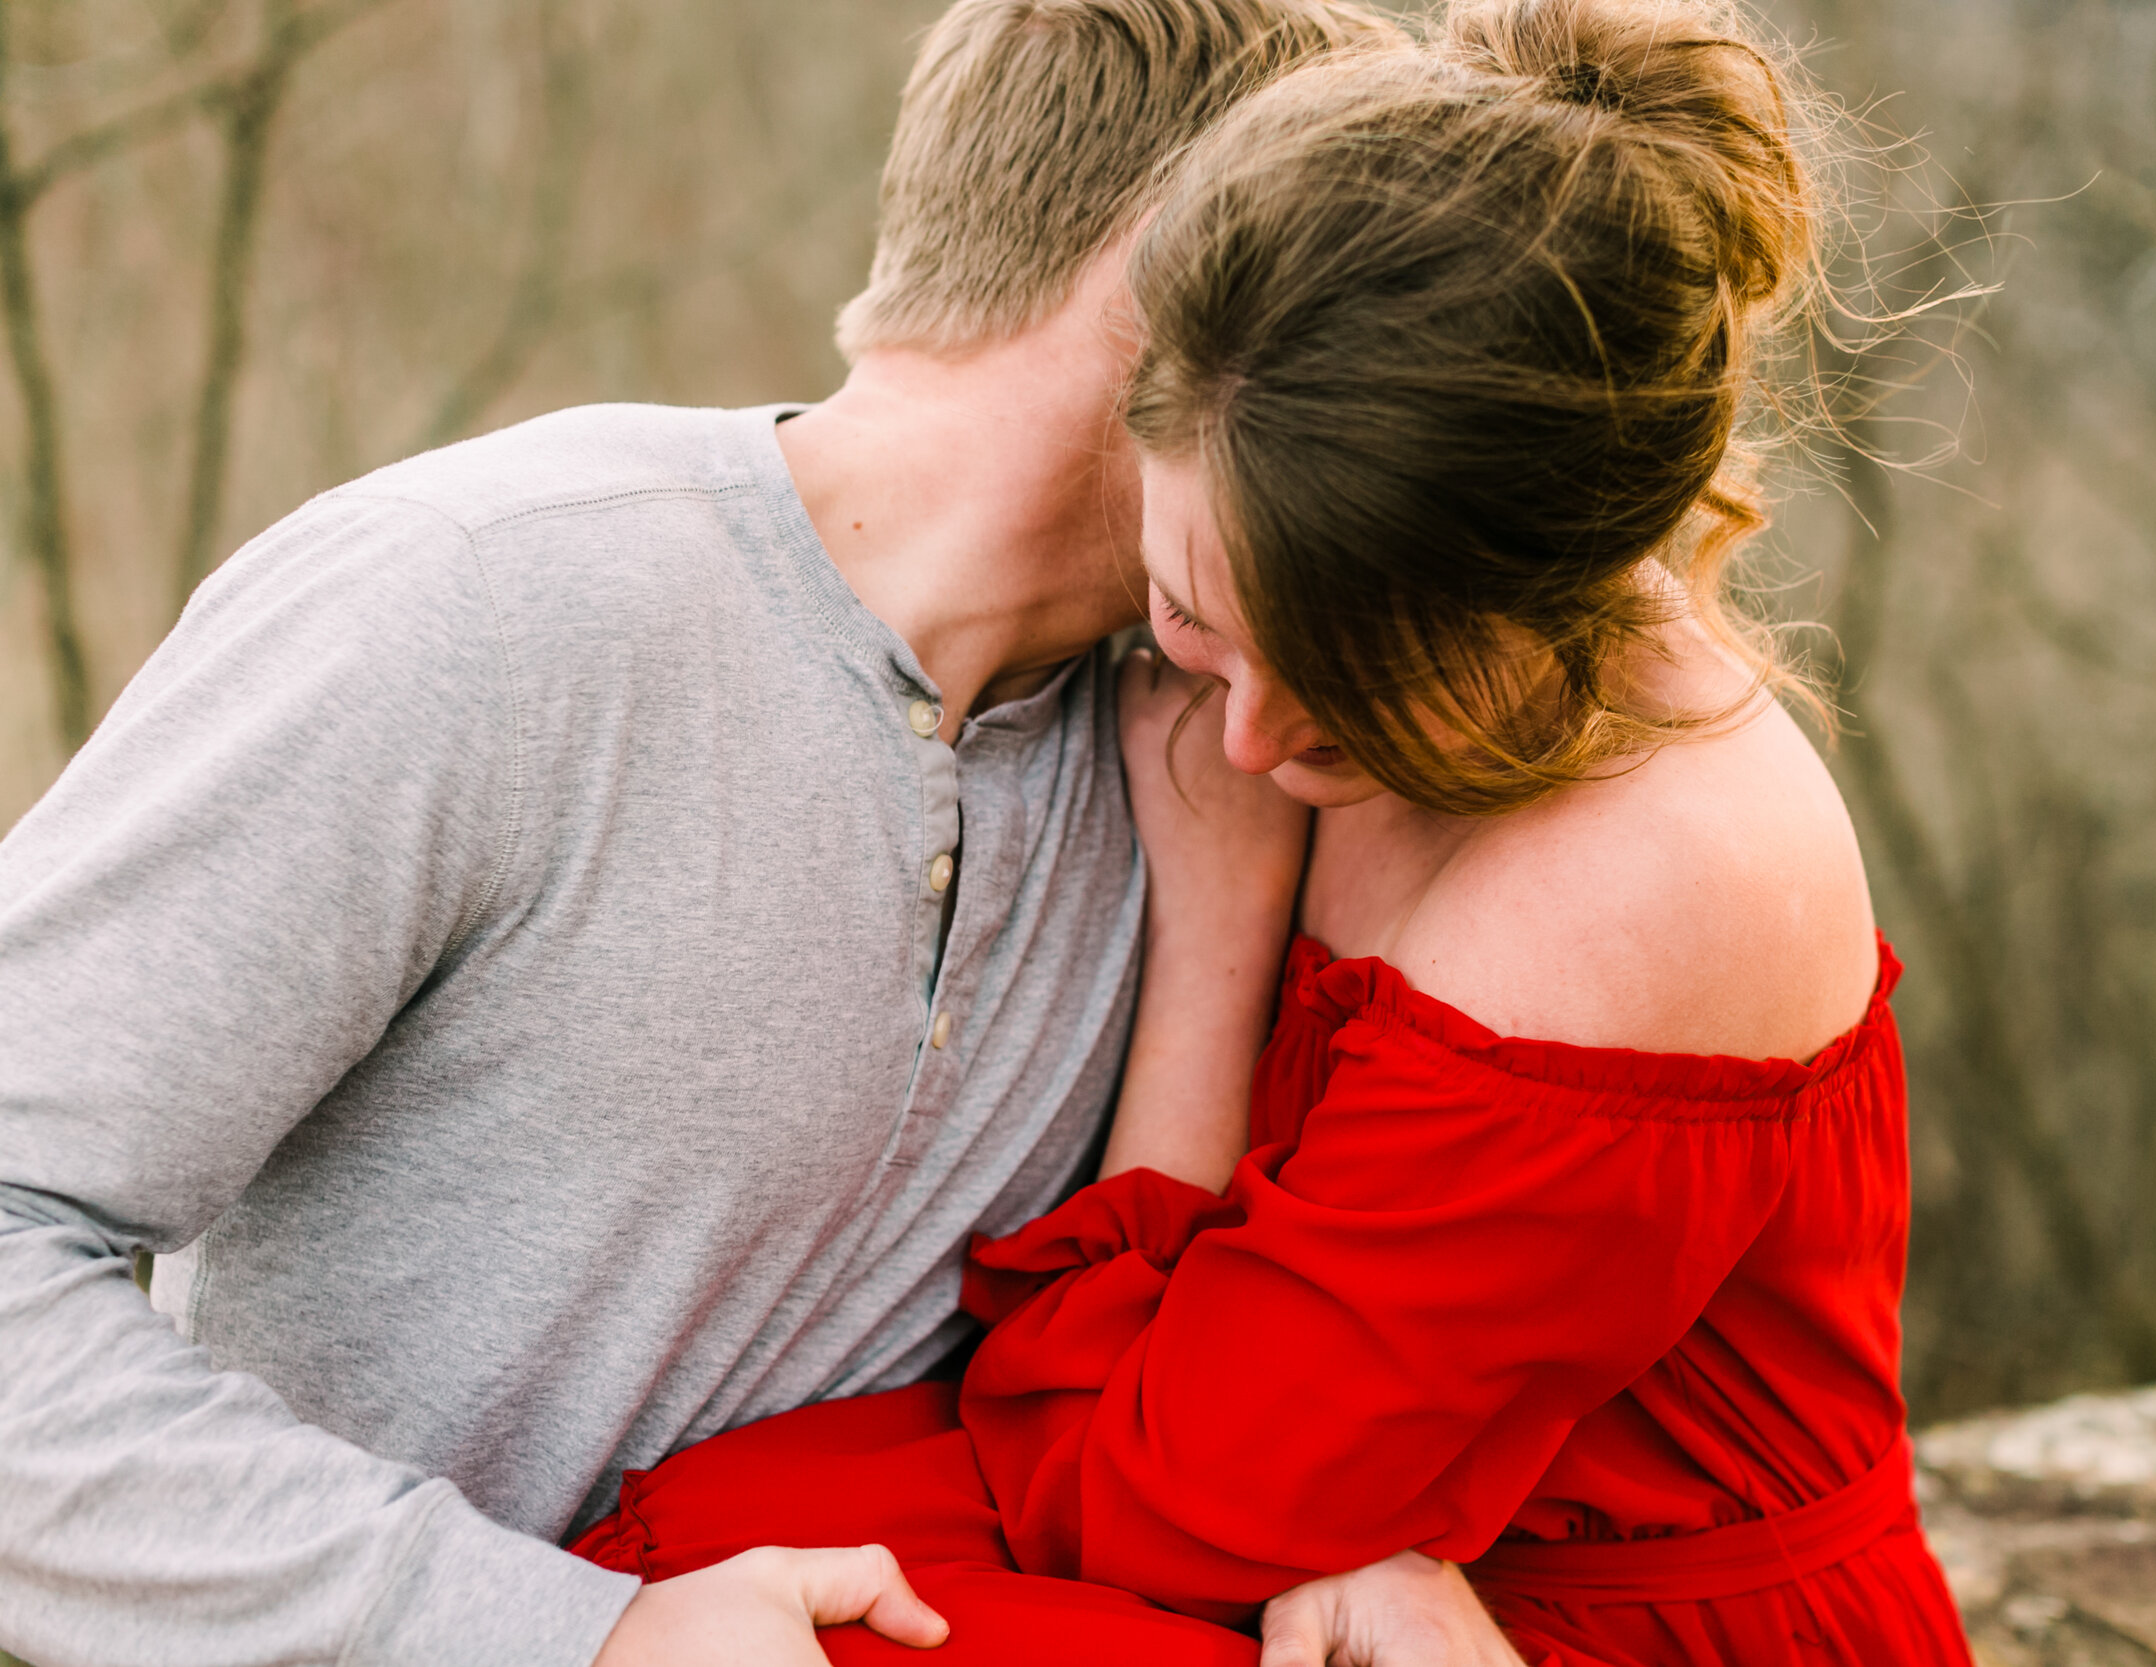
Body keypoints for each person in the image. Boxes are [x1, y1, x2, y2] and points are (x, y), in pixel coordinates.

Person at [0, 0, 1534, 1662]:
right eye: (1346, 306)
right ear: (1187, 283)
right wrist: (567, 1641)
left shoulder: (1218, 754)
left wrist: (1361, 1560)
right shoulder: (482, 603)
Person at [563, 0, 1975, 1661]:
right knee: (680, 1566)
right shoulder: (1405, 619)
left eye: (1339, 687)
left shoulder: (1648, 888)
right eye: (1190, 625)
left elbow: (1162, 1513)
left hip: (1554, 1620)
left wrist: (1216, 933)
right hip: (1285, 1507)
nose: (1244, 746)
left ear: (1547, 591)